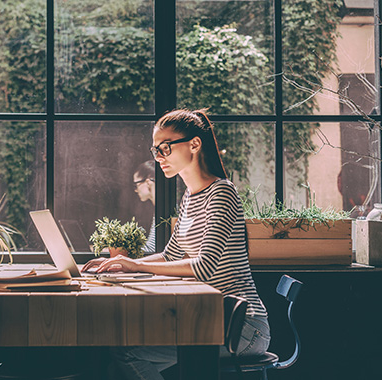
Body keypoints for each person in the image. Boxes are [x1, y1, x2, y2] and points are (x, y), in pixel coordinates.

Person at [83, 109, 270, 380]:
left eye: (165, 148)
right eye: (155, 149)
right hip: (209, 320)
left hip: (242, 328)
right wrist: (119, 265)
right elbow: (171, 255)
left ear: (194, 144)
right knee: (115, 366)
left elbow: (204, 267)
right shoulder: (190, 198)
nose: (158, 157)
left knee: (127, 354)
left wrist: (135, 265)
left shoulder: (222, 193)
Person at [133, 160, 156, 253]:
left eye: (136, 185)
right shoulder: (158, 210)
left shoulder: (161, 212)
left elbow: (151, 250)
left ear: (147, 182)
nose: (136, 190)